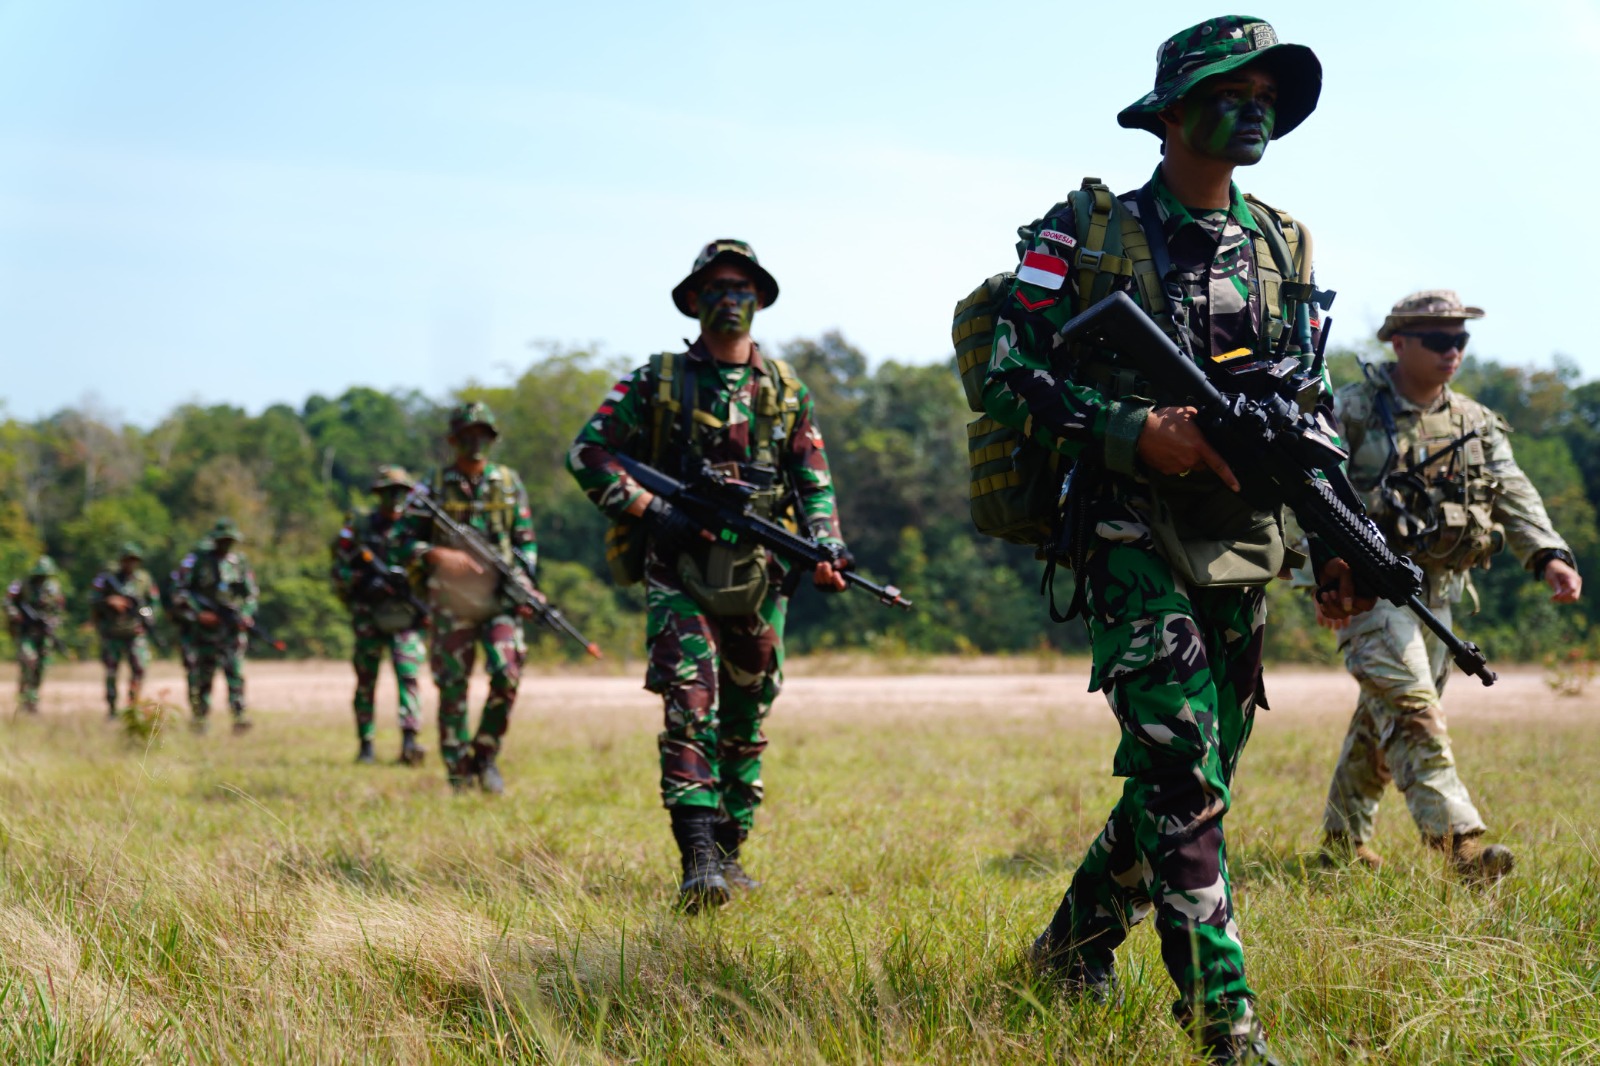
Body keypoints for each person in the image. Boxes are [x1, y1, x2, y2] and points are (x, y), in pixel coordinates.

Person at [979, 17, 1361, 1063]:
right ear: (1172, 111)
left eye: (1268, 97)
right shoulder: (1083, 231)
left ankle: (1071, 947)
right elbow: (1007, 371)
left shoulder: (1283, 242)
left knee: (1196, 773)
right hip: (1127, 526)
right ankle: (1224, 1026)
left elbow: (1311, 400)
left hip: (1240, 537)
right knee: (1182, 772)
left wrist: (1338, 533)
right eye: (1233, 91)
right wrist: (1130, 429)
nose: (1256, 110)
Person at [567, 239, 849, 913]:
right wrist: (652, 511)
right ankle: (697, 860)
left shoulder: (786, 389)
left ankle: (728, 850)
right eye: (716, 288)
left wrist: (827, 548)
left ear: (760, 300)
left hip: (760, 573)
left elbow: (812, 481)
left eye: (741, 288)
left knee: (748, 712)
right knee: (690, 702)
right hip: (680, 568)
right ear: (694, 300)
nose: (730, 299)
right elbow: (588, 452)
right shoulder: (658, 381)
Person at [1318, 290, 1581, 880]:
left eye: (1460, 339)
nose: (1452, 351)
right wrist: (1324, 576)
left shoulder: (1476, 422)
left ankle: (1340, 842)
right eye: (1438, 339)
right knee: (1413, 708)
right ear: (1398, 342)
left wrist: (1549, 554)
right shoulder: (1349, 410)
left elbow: (1514, 491)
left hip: (1440, 593)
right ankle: (1460, 846)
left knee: (1384, 717)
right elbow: (1310, 496)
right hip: (1369, 588)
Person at [394, 402, 538, 793]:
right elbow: (401, 541)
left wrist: (525, 584)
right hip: (451, 602)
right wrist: (438, 555)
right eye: (467, 436)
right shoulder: (432, 486)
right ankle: (459, 772)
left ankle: (485, 757)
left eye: (483, 436)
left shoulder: (508, 483)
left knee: (507, 674)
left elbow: (525, 543)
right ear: (452, 440)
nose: (475, 443)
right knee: (452, 687)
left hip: (499, 601)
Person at [332, 465, 429, 766]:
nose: (395, 498)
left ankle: (410, 743)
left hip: (407, 615)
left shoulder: (416, 530)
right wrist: (363, 582)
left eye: (400, 492)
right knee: (366, 680)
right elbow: (339, 568)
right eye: (389, 492)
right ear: (378, 494)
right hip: (368, 614)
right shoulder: (361, 528)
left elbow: (430, 571)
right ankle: (366, 746)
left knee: (408, 676)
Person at [171, 518, 260, 732]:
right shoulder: (196, 561)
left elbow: (251, 594)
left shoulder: (239, 563)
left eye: (230, 541)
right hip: (203, 632)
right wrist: (199, 614)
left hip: (231, 629)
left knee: (235, 673)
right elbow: (179, 591)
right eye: (222, 540)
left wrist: (245, 615)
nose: (226, 545)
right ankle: (200, 719)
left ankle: (239, 716)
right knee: (202, 676)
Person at [89, 541, 159, 717]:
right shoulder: (107, 579)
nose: (130, 564)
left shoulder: (144, 579)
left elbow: (153, 605)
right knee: (111, 672)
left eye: (134, 560)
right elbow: (93, 600)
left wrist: (144, 614)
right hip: (112, 633)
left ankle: (133, 706)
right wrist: (109, 601)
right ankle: (112, 709)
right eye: (127, 560)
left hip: (135, 633)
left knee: (140, 669)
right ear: (121, 561)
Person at [6, 555, 65, 714]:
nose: (42, 578)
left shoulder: (54, 588)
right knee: (29, 661)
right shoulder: (22, 584)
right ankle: (25, 698)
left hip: (44, 634)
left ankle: (33, 700)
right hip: (27, 632)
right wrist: (16, 615)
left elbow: (58, 609)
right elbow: (8, 601)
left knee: (42, 667)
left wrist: (51, 623)